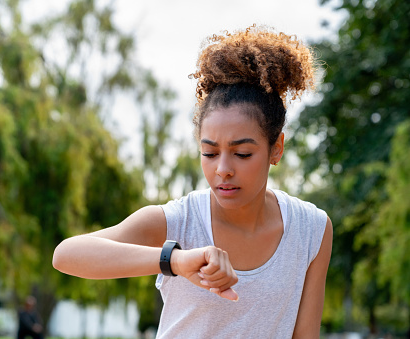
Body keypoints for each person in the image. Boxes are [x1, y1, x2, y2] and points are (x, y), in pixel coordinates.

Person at [53, 24, 333, 339]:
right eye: (209, 153)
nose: (222, 169)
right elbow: (67, 255)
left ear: (276, 148)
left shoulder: (312, 229)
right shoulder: (179, 222)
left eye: (242, 154)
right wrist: (175, 260)